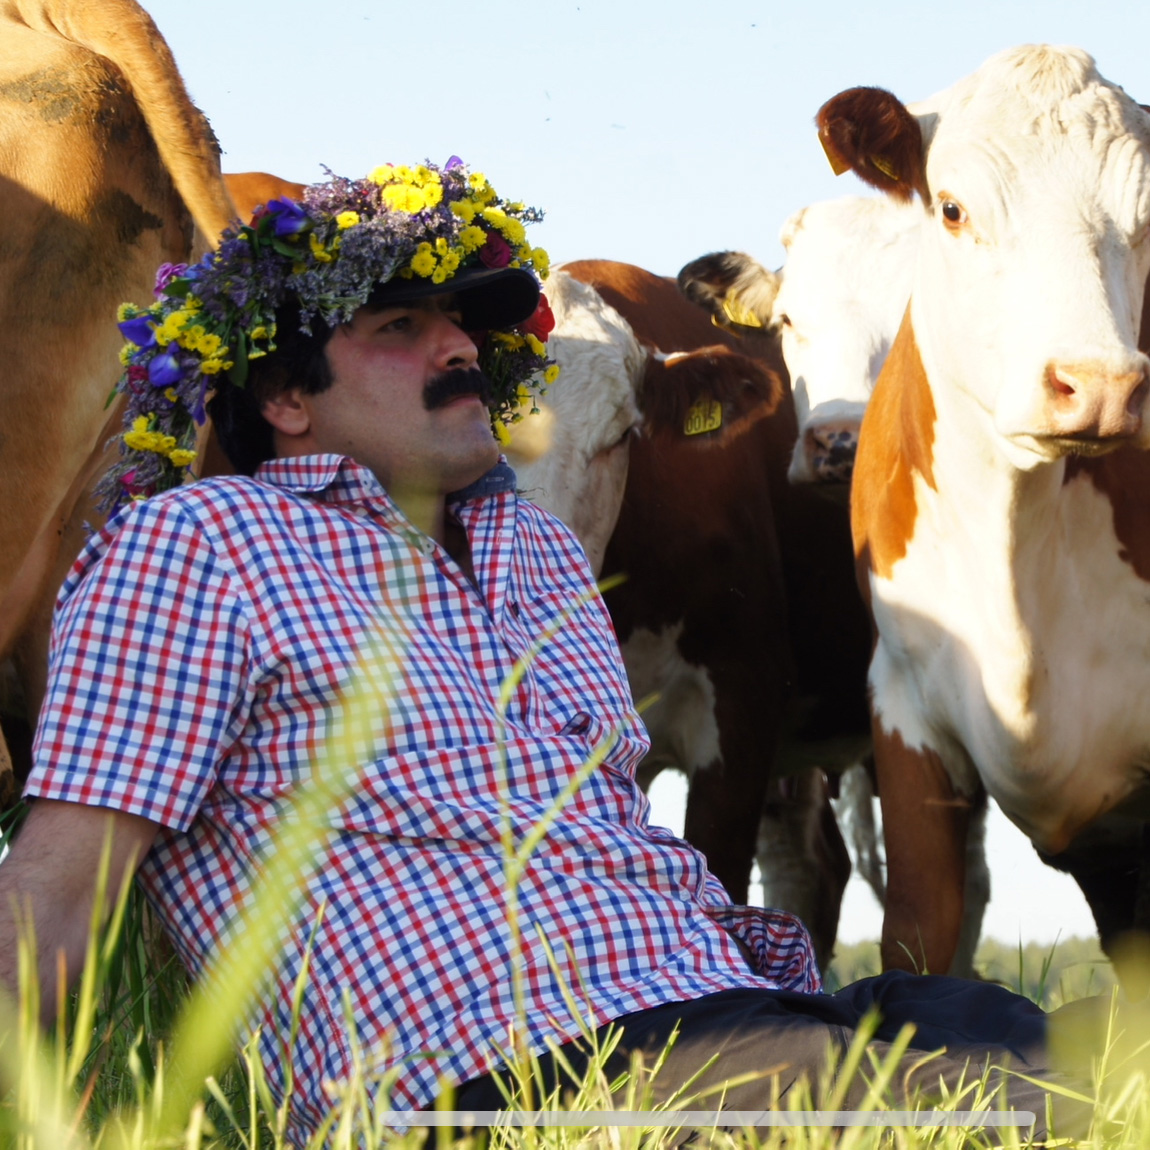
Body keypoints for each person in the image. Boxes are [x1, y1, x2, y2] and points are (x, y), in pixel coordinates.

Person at [0, 159, 1081, 1143]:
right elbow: (61, 886)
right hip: (489, 1069)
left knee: (1062, 1048)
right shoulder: (201, 546)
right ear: (285, 399)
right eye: (398, 326)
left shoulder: (541, 556)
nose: (460, 346)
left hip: (731, 1004)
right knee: (981, 1093)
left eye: (466, 326)